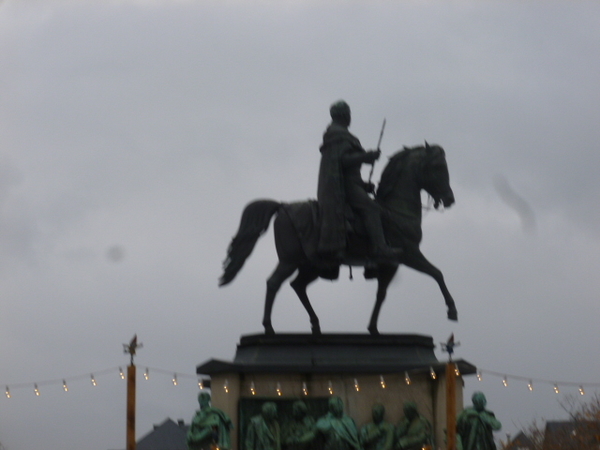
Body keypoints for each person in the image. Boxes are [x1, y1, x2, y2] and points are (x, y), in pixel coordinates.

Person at [317, 100, 401, 262]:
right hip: (342, 187)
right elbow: (343, 161)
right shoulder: (337, 134)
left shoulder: (337, 134)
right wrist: (367, 156)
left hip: (351, 183)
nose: (350, 117)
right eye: (348, 114)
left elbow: (347, 170)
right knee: (373, 209)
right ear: (343, 115)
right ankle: (380, 248)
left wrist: (363, 185)